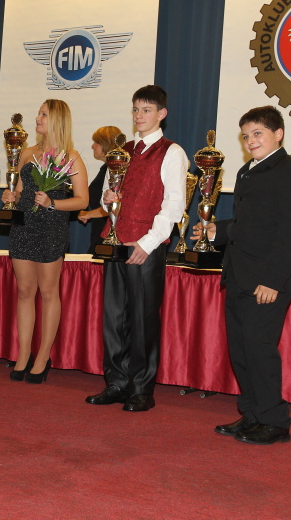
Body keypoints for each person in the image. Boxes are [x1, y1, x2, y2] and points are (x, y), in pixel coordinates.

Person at [192, 106, 291, 444]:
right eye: (246, 136)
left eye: (258, 133)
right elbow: (249, 224)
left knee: (259, 351)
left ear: (278, 134)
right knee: (241, 352)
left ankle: (275, 421)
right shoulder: (246, 171)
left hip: (267, 281)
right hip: (239, 275)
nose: (250, 141)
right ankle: (253, 414)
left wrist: (272, 281)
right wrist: (217, 230)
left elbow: (289, 232)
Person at [85, 84, 187, 411]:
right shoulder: (122, 151)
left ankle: (142, 388)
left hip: (146, 246)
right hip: (115, 241)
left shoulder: (172, 152)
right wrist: (108, 199)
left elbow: (174, 204)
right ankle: (116, 383)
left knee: (142, 320)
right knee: (113, 318)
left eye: (146, 110)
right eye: (135, 109)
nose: (139, 116)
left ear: (161, 114)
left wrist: (148, 243)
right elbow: (107, 198)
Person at [1, 100, 88, 383]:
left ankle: (42, 356)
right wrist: (10, 196)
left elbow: (82, 200)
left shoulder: (72, 157)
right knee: (24, 291)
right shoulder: (27, 153)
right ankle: (23, 353)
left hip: (51, 229)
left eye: (43, 115)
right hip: (23, 227)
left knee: (49, 293)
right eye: (38, 114)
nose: (37, 118)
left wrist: (53, 203)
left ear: (57, 120)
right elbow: (20, 190)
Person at [78, 126, 122, 254]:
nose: (92, 146)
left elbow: (116, 204)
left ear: (105, 144)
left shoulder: (115, 170)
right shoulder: (105, 169)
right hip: (100, 230)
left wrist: (89, 214)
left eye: (96, 142)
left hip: (108, 233)